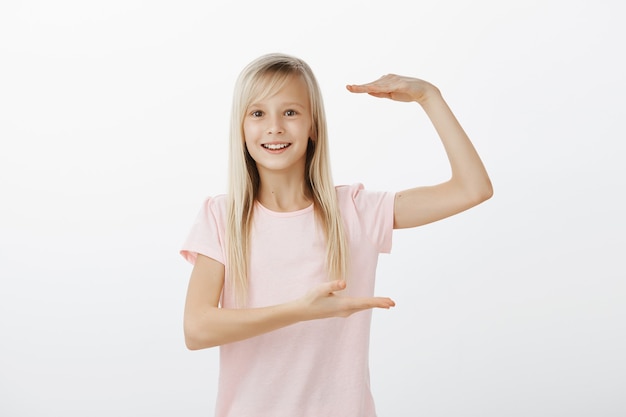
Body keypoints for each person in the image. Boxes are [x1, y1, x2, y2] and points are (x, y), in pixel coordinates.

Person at [180, 52, 493, 417]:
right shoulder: (222, 216)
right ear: (241, 127)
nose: (275, 127)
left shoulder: (356, 211)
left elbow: (473, 189)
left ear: (314, 126)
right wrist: (300, 311)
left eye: (291, 112)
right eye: (258, 113)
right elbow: (196, 329)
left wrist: (429, 97)